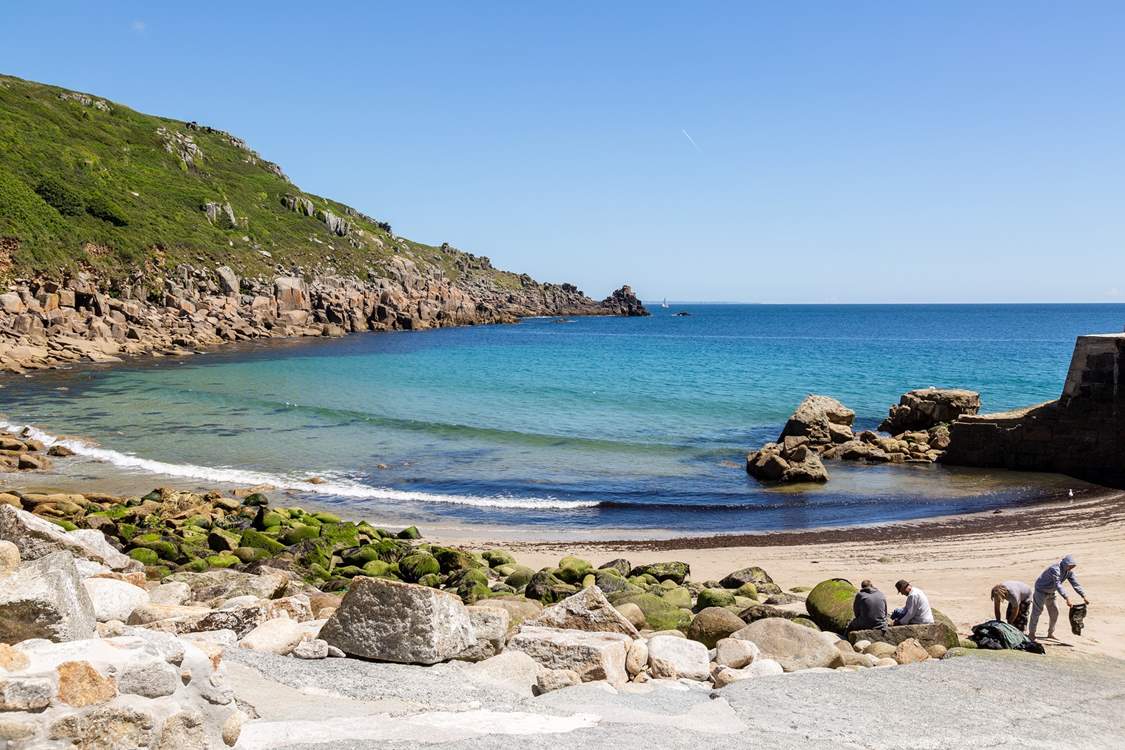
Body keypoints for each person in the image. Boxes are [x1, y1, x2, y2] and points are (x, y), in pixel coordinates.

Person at [1029, 554, 1090, 641]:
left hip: (1051, 592)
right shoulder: (1055, 569)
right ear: (1065, 563)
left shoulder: (1069, 572)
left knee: (1055, 613)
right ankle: (1031, 634)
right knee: (1037, 612)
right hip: (1041, 591)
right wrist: (1067, 598)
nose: (1071, 568)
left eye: (1072, 566)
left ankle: (1050, 633)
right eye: (1070, 566)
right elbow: (1058, 585)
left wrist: (1083, 596)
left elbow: (1075, 584)